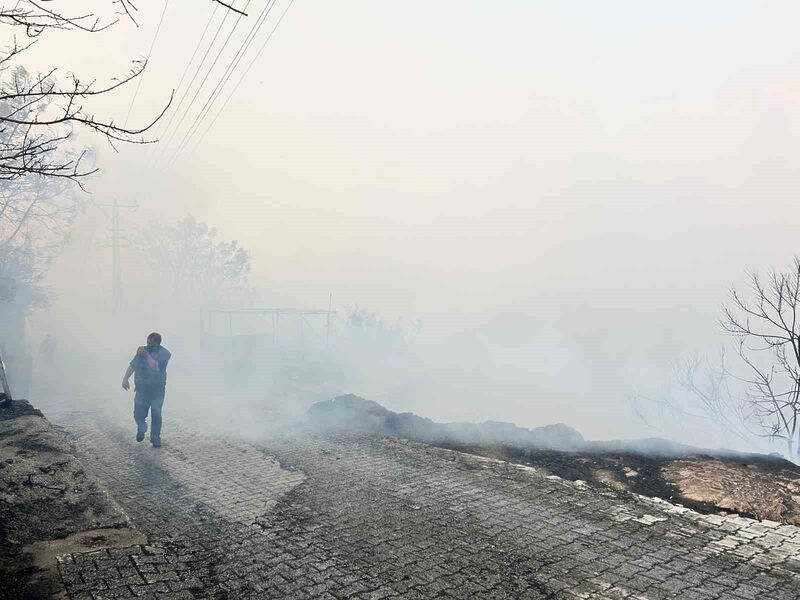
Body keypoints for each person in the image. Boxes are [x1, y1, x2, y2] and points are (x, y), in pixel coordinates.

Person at [122, 333, 171, 447]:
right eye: (147, 343)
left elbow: (156, 367)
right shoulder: (142, 351)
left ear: (158, 344)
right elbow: (133, 365)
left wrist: (146, 356)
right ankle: (141, 427)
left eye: (151, 344)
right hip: (142, 389)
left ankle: (155, 437)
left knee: (156, 412)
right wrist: (125, 378)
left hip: (157, 390)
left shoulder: (164, 354)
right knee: (138, 413)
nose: (148, 345)